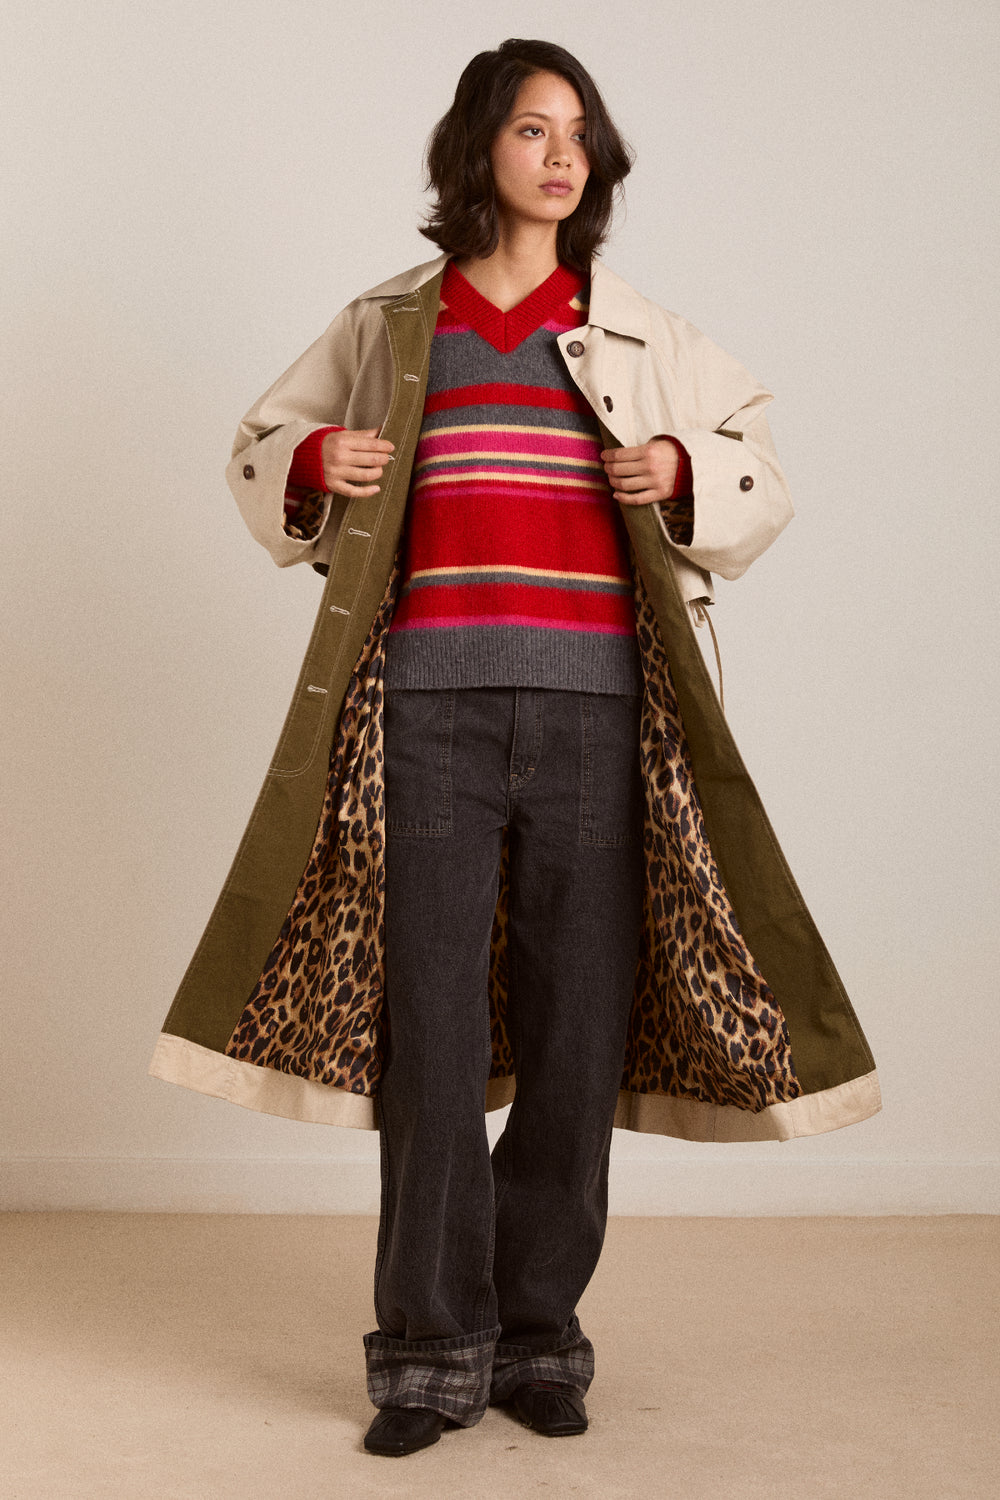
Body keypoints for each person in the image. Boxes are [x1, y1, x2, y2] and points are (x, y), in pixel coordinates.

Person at [148, 38, 881, 1460]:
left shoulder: (633, 331)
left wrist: (683, 469)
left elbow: (760, 467)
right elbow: (268, 440)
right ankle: (430, 1349)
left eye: (581, 134)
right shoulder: (392, 323)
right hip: (427, 709)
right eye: (536, 129)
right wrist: (312, 463)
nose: (564, 156)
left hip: (596, 711)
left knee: (574, 1029)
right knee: (428, 1031)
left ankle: (539, 1334)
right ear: (478, 144)